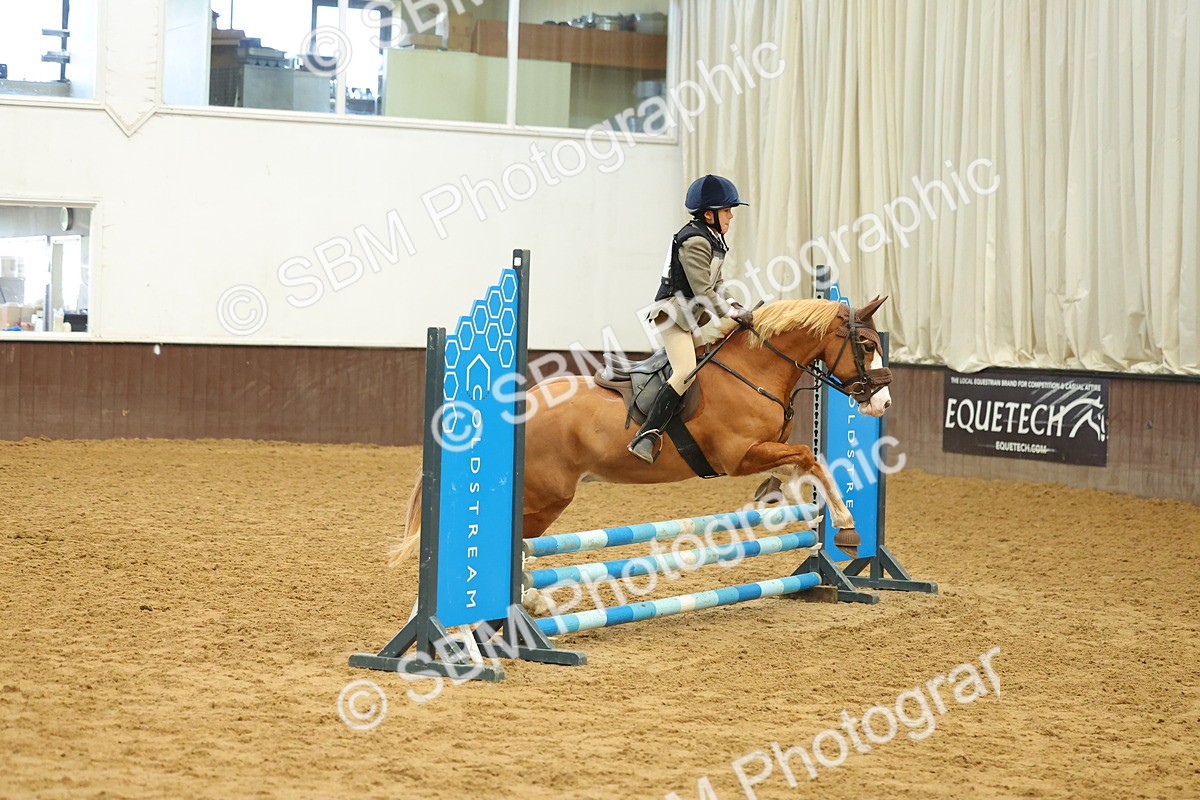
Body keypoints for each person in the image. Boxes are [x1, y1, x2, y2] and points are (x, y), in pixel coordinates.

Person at [628, 174, 754, 464]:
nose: (731, 216)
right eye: (727, 211)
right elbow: (702, 290)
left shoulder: (713, 239)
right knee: (686, 371)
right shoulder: (695, 240)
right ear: (709, 214)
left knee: (708, 364)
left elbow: (718, 284)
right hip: (673, 314)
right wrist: (731, 314)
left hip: (689, 316)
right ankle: (646, 434)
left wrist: (737, 304)